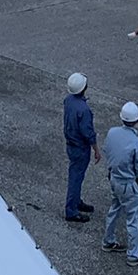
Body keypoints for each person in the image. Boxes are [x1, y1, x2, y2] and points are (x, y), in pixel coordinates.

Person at [102, 101, 138, 266]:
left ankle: (108, 240)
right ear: (137, 120)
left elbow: (107, 150)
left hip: (114, 177)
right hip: (127, 183)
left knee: (114, 208)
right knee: (132, 218)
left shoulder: (112, 132)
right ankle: (133, 255)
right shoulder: (137, 143)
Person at [61, 72, 99, 223]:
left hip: (71, 144)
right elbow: (88, 132)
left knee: (77, 175)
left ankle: (76, 201)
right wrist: (96, 149)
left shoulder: (68, 100)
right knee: (76, 178)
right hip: (80, 147)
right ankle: (71, 210)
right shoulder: (84, 110)